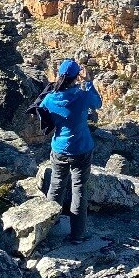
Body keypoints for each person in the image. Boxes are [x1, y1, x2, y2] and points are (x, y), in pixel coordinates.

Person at [41, 59, 102, 243]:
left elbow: (42, 110)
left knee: (56, 186)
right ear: (76, 77)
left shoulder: (50, 98)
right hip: (82, 148)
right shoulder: (81, 96)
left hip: (59, 148)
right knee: (79, 189)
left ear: (59, 75)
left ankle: (48, 228)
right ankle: (77, 235)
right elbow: (97, 103)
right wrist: (88, 82)